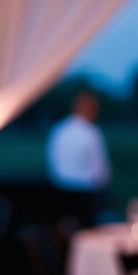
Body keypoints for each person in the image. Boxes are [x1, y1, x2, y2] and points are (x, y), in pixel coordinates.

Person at [45, 90, 112, 229]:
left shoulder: (58, 130)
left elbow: (52, 163)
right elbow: (100, 172)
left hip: (60, 195)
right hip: (86, 198)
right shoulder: (91, 133)